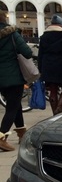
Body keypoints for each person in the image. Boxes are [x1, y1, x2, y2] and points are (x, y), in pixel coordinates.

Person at [0, 11, 33, 151]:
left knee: (15, 104)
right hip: (13, 76)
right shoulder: (12, 34)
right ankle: (1, 137)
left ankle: (22, 133)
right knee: (12, 108)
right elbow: (27, 52)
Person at [39, 15, 62, 115]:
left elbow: (40, 53)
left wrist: (40, 68)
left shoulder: (44, 37)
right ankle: (60, 109)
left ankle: (54, 113)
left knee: (52, 91)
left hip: (48, 65)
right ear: (61, 25)